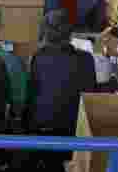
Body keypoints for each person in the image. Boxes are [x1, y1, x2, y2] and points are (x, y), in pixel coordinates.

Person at [28, 10, 96, 138]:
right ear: (71, 34)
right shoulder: (87, 59)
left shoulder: (38, 57)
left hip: (41, 128)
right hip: (75, 129)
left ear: (45, 34)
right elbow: (90, 94)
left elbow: (32, 95)